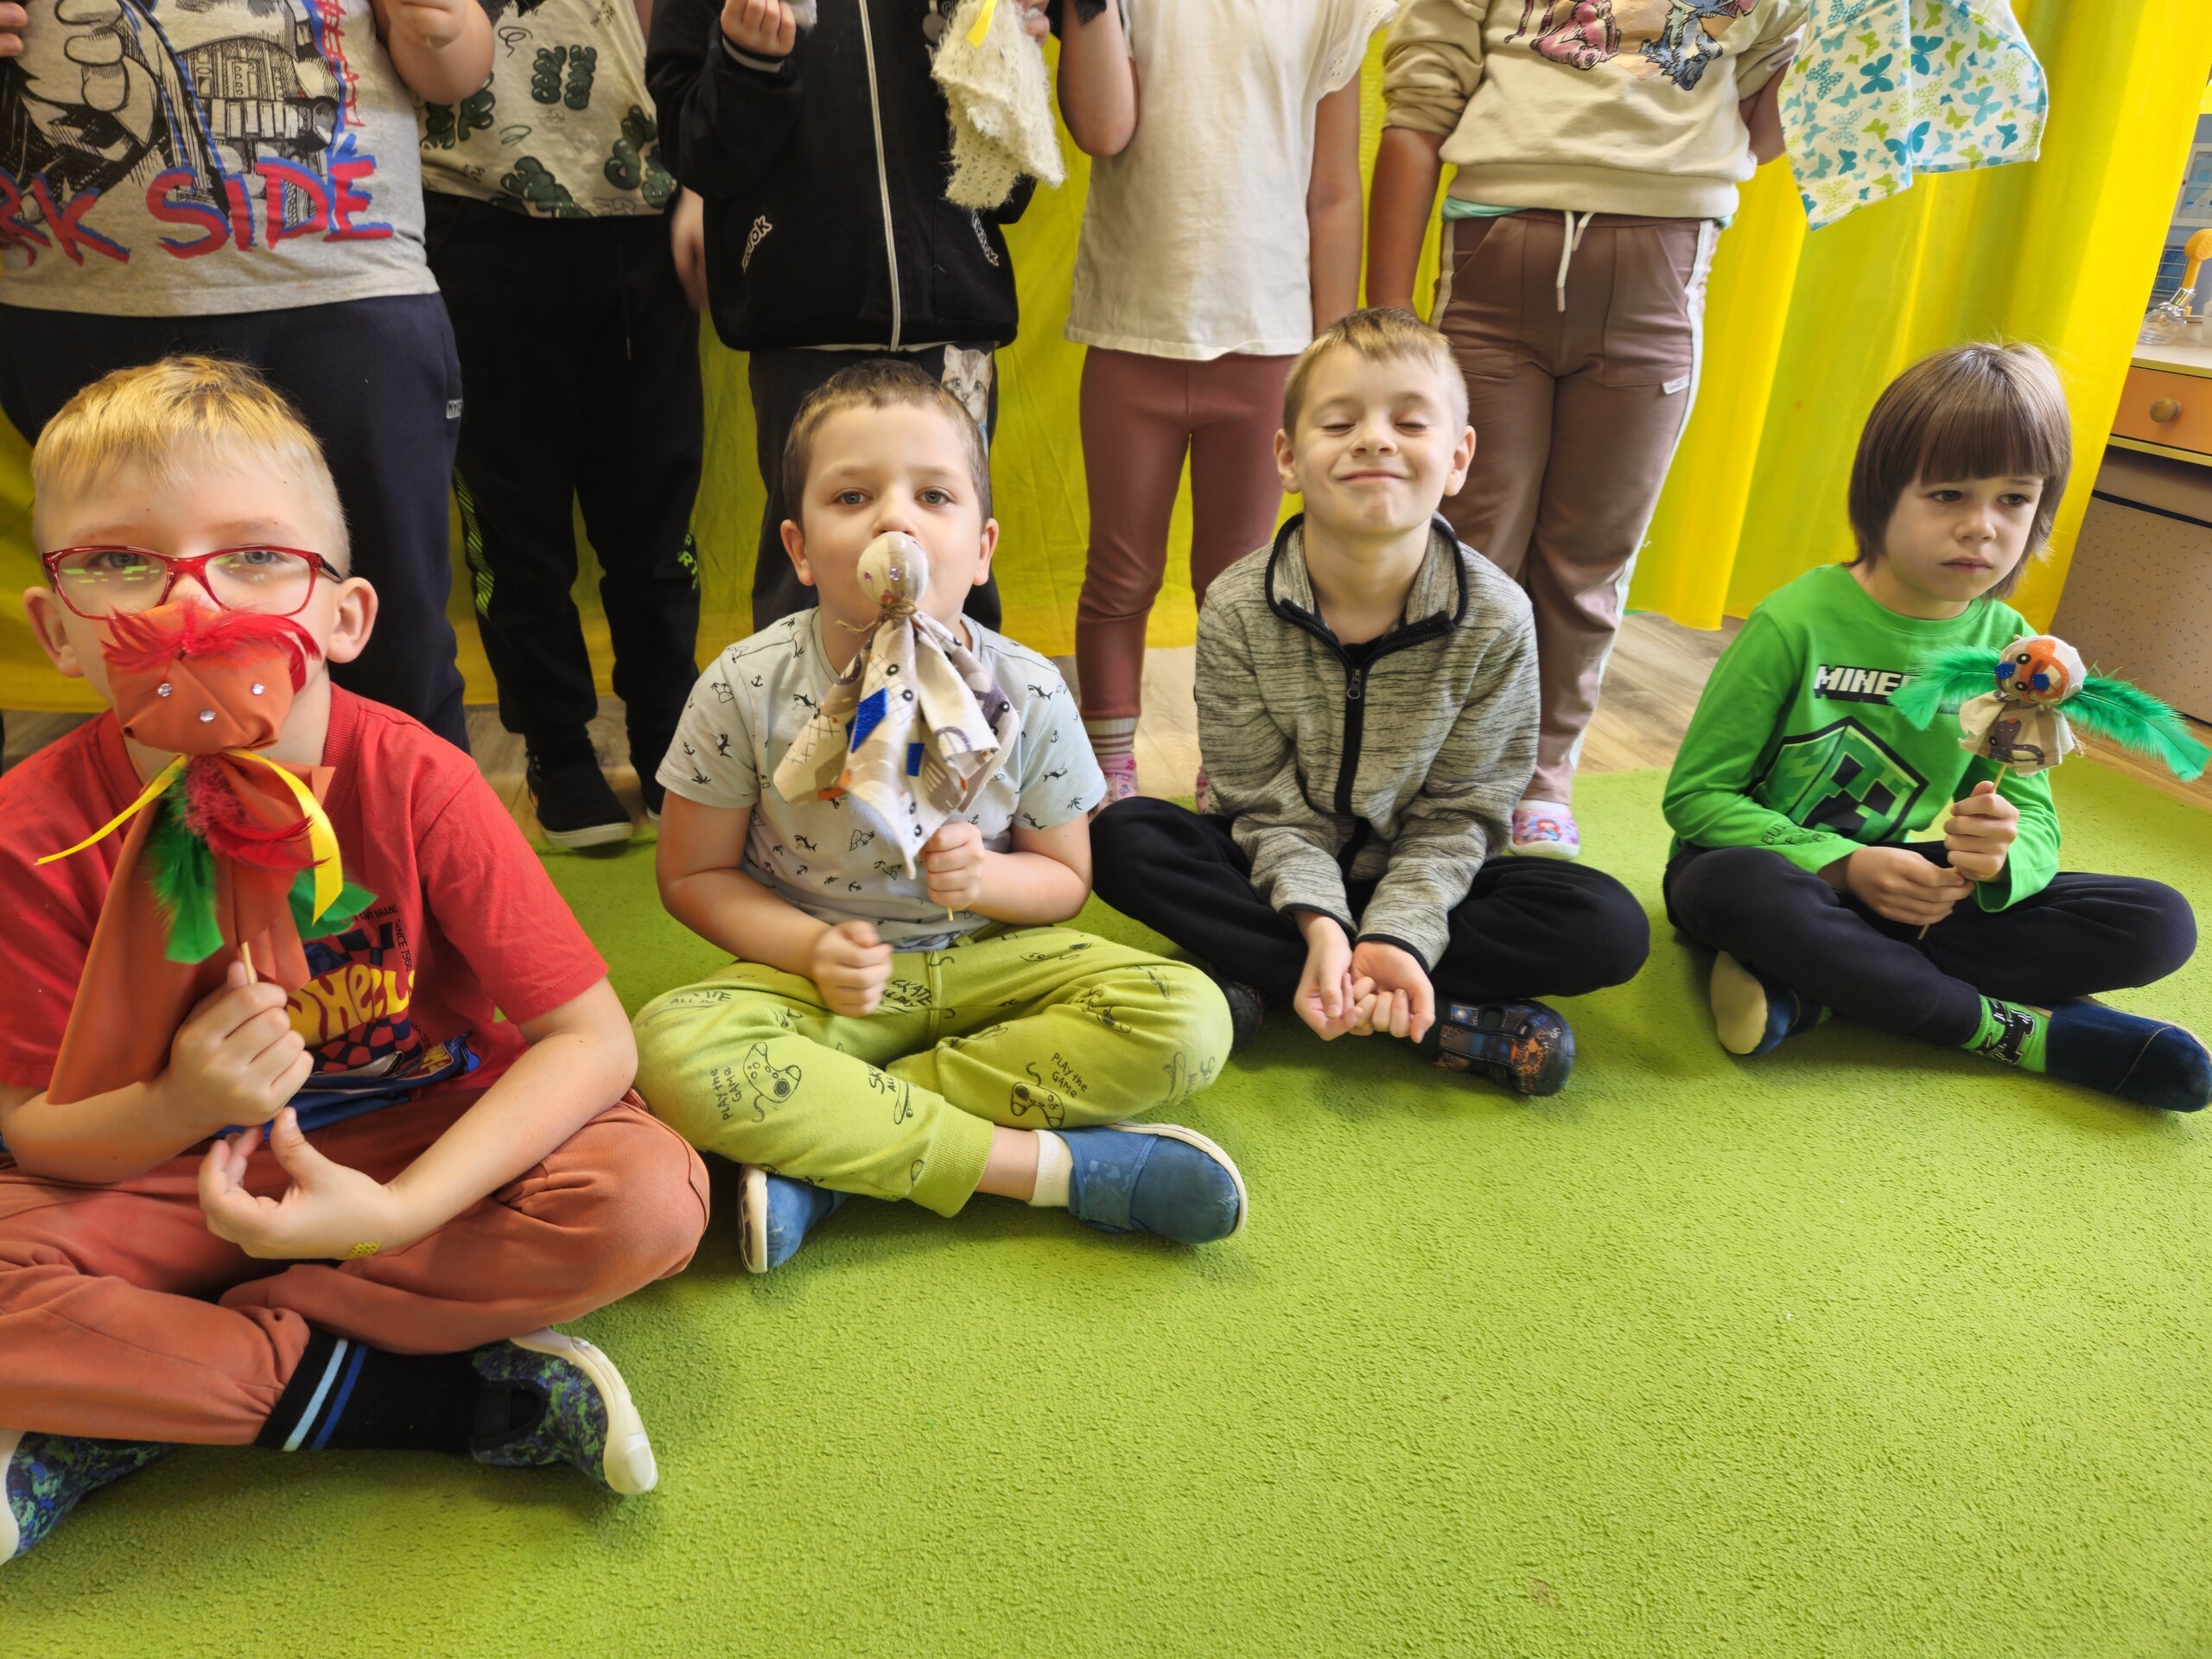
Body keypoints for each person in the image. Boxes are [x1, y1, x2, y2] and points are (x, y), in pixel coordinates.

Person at [0, 359, 709, 1564]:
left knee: (645, 1198)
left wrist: (398, 1213)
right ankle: (415, 1390)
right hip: (170, 1179)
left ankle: (158, 1377)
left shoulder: (420, 780)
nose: (192, 606)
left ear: (345, 618)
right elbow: (38, 1134)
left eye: (255, 556)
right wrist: (183, 1103)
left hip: (416, 1144)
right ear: (57, 629)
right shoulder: (31, 831)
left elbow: (592, 1041)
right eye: (121, 562)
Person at [632, 359, 1244, 1274]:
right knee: (665, 1048)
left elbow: (1066, 880)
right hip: (822, 989)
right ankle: (1048, 1171)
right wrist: (812, 951)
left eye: (932, 496)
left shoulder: (1030, 689)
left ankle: (839, 1154)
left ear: (982, 546)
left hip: (993, 971)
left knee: (1190, 1016)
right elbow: (692, 875)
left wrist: (989, 877)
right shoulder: (744, 687)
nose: (896, 521)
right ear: (799, 548)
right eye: (853, 496)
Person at [1091, 308, 1649, 1095]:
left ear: (1458, 459)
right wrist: (1320, 922)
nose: (1375, 440)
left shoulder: (1497, 617)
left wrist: (1400, 934)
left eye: (1410, 422)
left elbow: (1464, 815)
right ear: (1289, 458)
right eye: (1339, 422)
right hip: (1277, 873)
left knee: (1608, 924)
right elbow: (1260, 805)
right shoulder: (1237, 605)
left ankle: (1268, 981)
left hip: (1427, 882)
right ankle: (1438, 1018)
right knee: (1124, 837)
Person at [1661, 343, 2208, 1110]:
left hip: (1912, 894)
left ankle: (1816, 987)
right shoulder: (1795, 622)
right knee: (1731, 887)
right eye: (1948, 494)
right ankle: (2009, 1031)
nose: (1981, 528)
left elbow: (2036, 818)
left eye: (2014, 499)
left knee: (2157, 922)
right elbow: (1696, 799)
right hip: (1779, 875)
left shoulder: (2013, 649)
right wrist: (1845, 866)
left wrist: (2001, 855)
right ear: (1880, 497)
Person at [1369, 0, 1806, 858]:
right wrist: (1387, 311)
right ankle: (1441, 768)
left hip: (1661, 268)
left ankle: (1543, 775)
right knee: (1468, 543)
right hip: (1495, 257)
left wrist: (1833, 54)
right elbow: (1418, 110)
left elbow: (1760, 128)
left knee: (1593, 551)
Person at [0, 0, 497, 748]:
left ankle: (411, 823)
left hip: (348, 296)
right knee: (136, 640)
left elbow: (456, 71)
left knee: (392, 637)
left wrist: (441, 23)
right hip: (74, 300)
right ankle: (177, 821)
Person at [1052, 0, 1386, 804]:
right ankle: (1108, 768)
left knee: (1238, 583)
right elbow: (1100, 128)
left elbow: (1334, 192)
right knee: (1120, 573)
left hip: (1269, 341)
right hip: (1133, 330)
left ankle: (1231, 765)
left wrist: (1334, 355)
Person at [646, 0, 1054, 635]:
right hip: (803, 331)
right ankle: (807, 705)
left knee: (953, 574)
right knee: (811, 576)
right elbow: (696, 151)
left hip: (955, 327)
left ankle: (962, 705)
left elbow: (1008, 187)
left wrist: (1005, 61)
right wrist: (749, 63)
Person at [421, 0, 706, 847]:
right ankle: (556, 747)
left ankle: (669, 733)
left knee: (655, 514)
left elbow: (696, 38)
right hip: (474, 208)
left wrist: (701, 183)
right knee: (512, 520)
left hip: (642, 210)